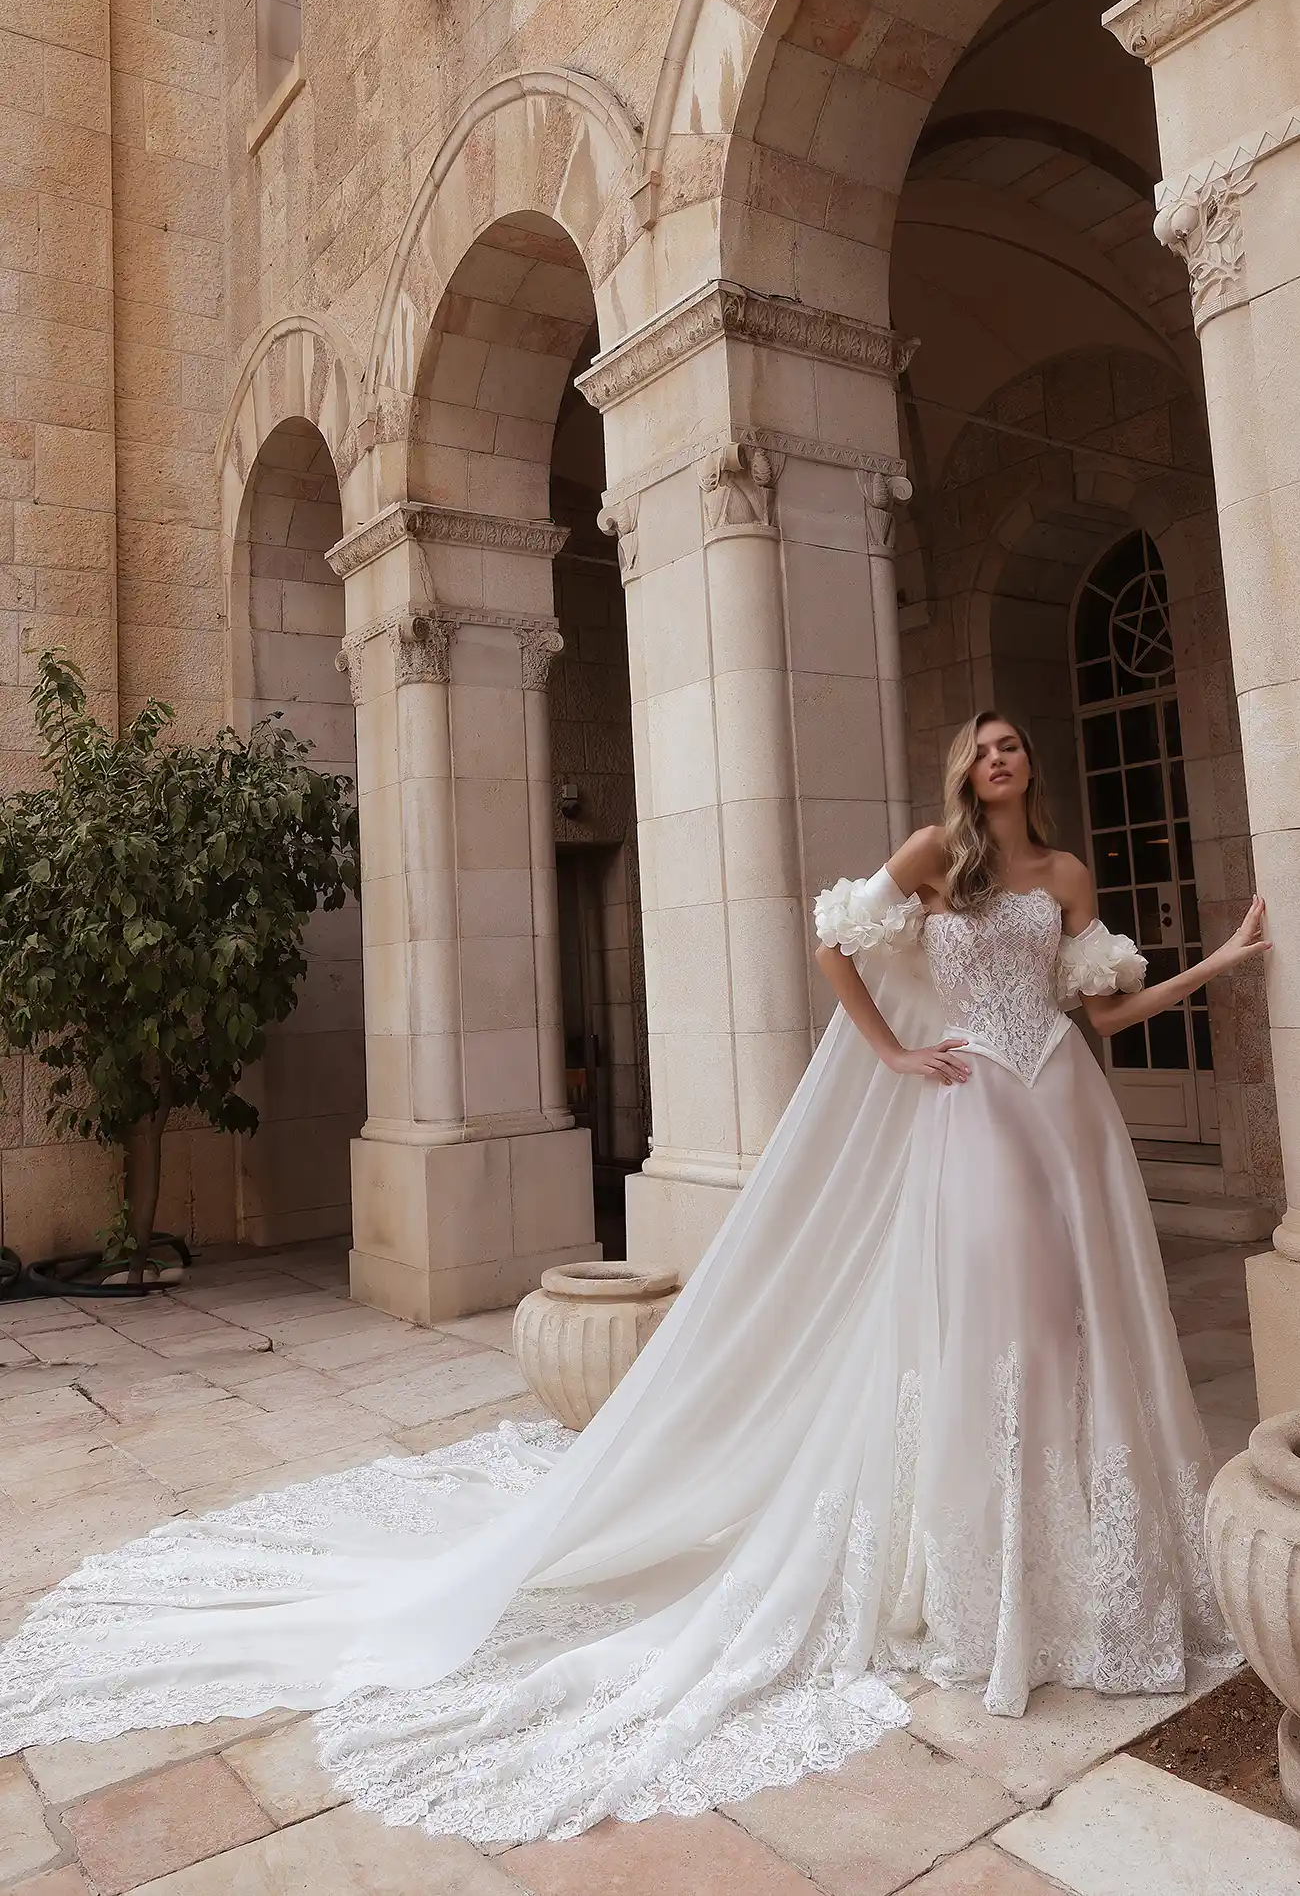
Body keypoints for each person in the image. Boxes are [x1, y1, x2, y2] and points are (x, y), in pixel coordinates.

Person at [0, 711, 1268, 1845]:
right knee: (998, 1329)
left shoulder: (1060, 874)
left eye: (1012, 747)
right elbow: (834, 945)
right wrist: (891, 1055)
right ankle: (988, 1585)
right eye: (984, 748)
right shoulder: (938, 858)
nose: (1003, 758)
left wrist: (1220, 962)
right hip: (976, 1107)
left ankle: (1085, 1576)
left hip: (1067, 1114)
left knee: (1075, 1331)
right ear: (963, 771)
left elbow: (1102, 1013)